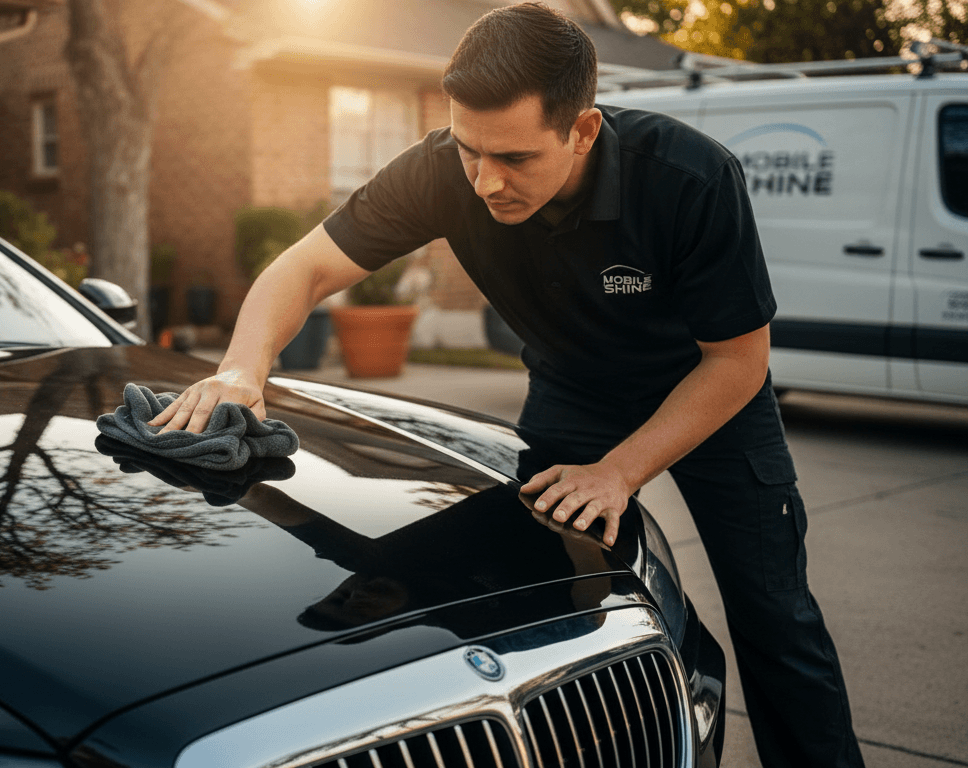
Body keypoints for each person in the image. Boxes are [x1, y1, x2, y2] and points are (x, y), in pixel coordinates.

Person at [150, 3, 863, 765]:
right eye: (470, 151)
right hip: (575, 391)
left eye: (515, 158)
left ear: (583, 130)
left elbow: (737, 363)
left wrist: (619, 472)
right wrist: (241, 368)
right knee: (540, 597)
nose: (486, 181)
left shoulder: (690, 177)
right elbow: (305, 267)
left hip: (708, 393)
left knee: (776, 619)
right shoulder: (440, 171)